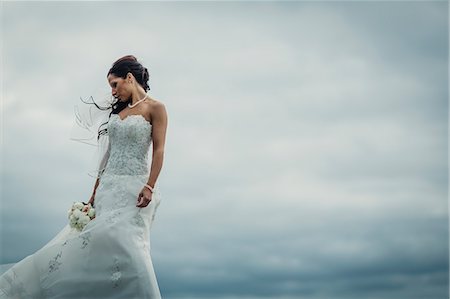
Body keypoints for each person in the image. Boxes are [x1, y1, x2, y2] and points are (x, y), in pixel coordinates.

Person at [0, 55, 168, 298]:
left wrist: (149, 186)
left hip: (135, 191)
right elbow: (107, 156)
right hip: (108, 189)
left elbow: (159, 149)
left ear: (129, 78)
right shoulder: (116, 114)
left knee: (132, 251)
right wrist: (93, 194)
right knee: (95, 249)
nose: (112, 91)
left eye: (114, 84)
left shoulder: (156, 108)